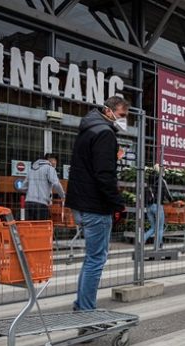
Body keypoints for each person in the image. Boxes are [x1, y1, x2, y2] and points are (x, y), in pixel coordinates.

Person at [66, 96, 128, 316]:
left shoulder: (88, 128)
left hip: (80, 203)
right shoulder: (104, 133)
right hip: (95, 205)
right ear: (108, 111)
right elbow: (104, 175)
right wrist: (118, 204)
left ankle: (82, 305)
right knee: (96, 259)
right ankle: (86, 310)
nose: (123, 120)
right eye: (121, 115)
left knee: (91, 258)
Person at [24, 153, 65, 220]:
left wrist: (31, 191)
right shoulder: (49, 168)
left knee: (30, 227)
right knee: (42, 227)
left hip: (28, 203)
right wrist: (63, 196)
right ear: (47, 160)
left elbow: (23, 187)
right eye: (52, 160)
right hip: (41, 204)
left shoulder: (31, 170)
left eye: (55, 160)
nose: (54, 162)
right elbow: (56, 184)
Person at [144, 164, 173, 248]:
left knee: (153, 227)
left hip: (148, 206)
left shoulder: (149, 180)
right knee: (160, 228)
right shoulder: (161, 180)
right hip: (157, 206)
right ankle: (157, 246)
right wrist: (172, 200)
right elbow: (168, 194)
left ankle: (142, 240)